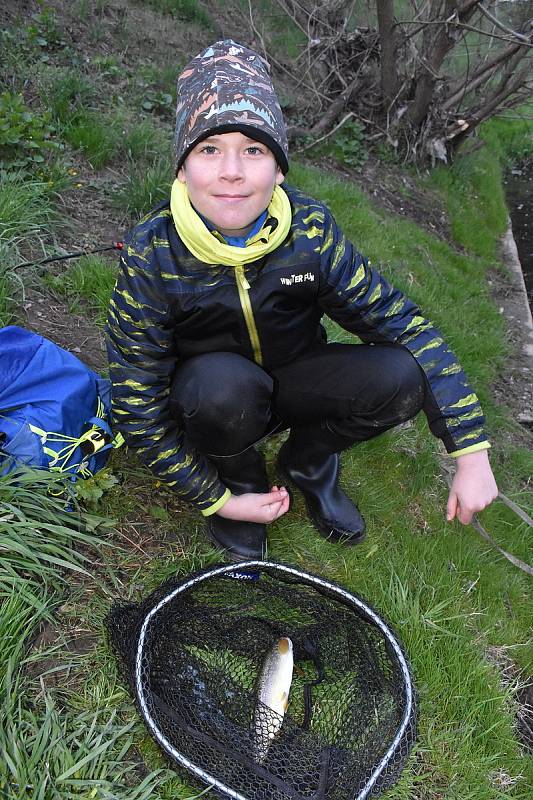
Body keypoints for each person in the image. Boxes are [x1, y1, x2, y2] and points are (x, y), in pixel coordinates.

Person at [106, 40, 498, 560]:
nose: (231, 171)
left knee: (401, 375)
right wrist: (216, 499)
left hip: (294, 376)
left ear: (279, 168)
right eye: (208, 149)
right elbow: (137, 407)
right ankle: (242, 478)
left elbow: (405, 325)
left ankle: (308, 462)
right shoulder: (150, 254)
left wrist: (472, 453)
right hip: (213, 400)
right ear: (182, 168)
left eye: (254, 149)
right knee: (220, 387)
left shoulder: (310, 231)